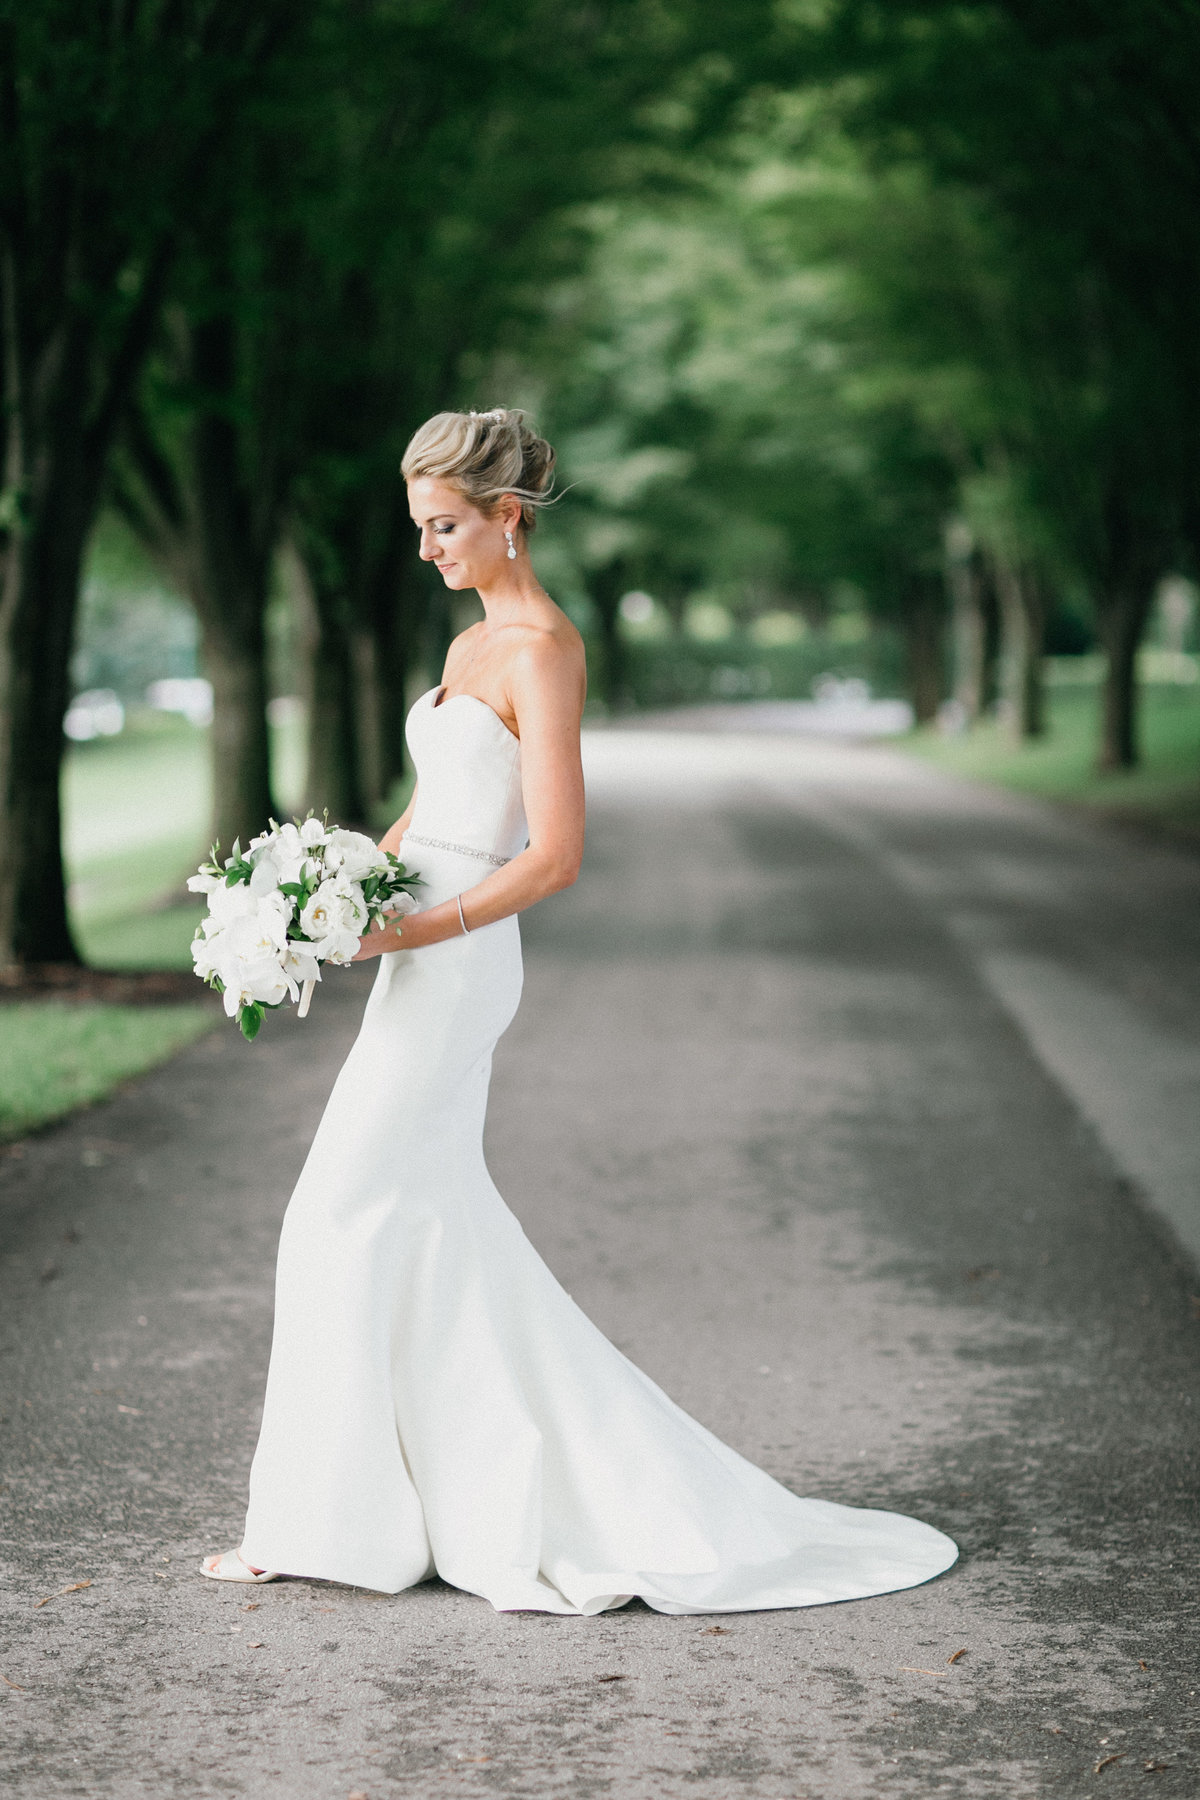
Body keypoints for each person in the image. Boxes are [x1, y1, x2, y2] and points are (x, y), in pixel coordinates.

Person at [200, 407, 957, 1612]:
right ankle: (411, 1505)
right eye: (418, 529)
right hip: (410, 945)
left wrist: (416, 926)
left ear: (508, 518)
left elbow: (553, 854)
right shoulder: (461, 650)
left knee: (338, 1209)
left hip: (460, 958)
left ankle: (328, 1524)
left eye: (445, 527)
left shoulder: (545, 647)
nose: (428, 549)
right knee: (419, 1223)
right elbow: (425, 814)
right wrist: (323, 889)